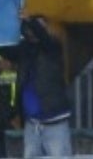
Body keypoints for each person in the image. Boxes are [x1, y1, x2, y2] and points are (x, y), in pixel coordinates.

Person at [16, 15, 73, 157]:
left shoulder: (52, 48)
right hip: (32, 124)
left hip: (55, 123)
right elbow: (5, 50)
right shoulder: (26, 51)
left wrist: (29, 20)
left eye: (40, 26)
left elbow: (43, 37)